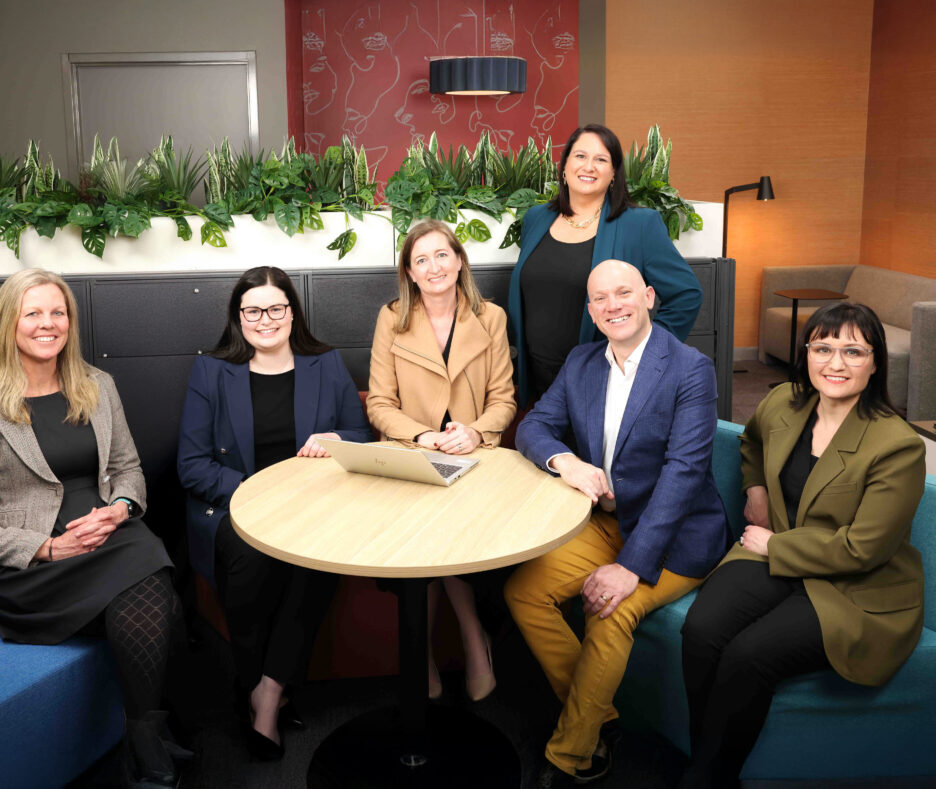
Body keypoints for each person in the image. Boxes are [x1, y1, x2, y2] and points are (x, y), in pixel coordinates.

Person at [0, 269, 183, 787]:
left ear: (70, 322)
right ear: (9, 323)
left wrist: (119, 509)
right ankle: (148, 732)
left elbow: (127, 470)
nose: (47, 324)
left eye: (58, 312)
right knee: (157, 582)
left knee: (145, 566)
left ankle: (141, 732)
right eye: (33, 313)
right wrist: (49, 548)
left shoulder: (97, 386)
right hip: (35, 567)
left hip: (108, 536)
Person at [679, 302, 927, 789]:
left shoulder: (897, 445)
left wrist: (776, 547)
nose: (835, 364)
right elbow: (750, 443)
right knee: (702, 630)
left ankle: (708, 778)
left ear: (876, 363)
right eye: (823, 348)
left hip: (856, 586)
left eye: (853, 351)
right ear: (806, 353)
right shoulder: (783, 402)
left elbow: (864, 550)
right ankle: (706, 757)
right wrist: (754, 491)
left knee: (748, 656)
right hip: (780, 550)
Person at [504, 260, 730, 786]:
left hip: (676, 536)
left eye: (624, 293)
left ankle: (571, 753)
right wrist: (569, 462)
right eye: (601, 298)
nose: (614, 305)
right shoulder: (583, 362)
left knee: (609, 610)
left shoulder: (689, 368)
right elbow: (534, 426)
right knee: (522, 592)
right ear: (591, 310)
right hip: (606, 522)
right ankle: (600, 717)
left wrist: (632, 566)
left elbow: (685, 473)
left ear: (649, 297)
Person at [177, 266, 372, 761]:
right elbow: (192, 465)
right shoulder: (212, 371)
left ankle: (265, 691)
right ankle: (260, 685)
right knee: (252, 562)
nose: (265, 319)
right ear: (238, 317)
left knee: (316, 559)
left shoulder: (325, 364)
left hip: (318, 506)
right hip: (236, 508)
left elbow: (362, 435)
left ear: (292, 311)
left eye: (276, 308)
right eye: (253, 310)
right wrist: (257, 492)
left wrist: (339, 439)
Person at [366, 219, 516, 701]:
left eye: (442, 255)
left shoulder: (490, 317)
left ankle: (453, 647)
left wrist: (473, 432)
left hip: (476, 460)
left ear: (459, 261)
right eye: (421, 259)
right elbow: (380, 404)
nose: (434, 267)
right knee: (426, 533)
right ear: (409, 272)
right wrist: (425, 436)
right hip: (414, 459)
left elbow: (505, 400)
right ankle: (468, 642)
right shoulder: (391, 318)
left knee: (451, 530)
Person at [507, 123, 703, 404]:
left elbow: (687, 294)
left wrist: (645, 353)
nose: (589, 166)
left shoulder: (639, 224)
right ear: (564, 167)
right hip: (538, 377)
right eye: (580, 156)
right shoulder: (536, 218)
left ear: (613, 174)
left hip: (603, 380)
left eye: (601, 159)